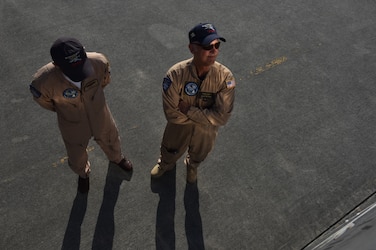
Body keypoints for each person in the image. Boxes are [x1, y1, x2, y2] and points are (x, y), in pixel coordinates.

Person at [30, 37, 133, 193]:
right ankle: (83, 174)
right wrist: (66, 110)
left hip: (99, 113)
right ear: (56, 64)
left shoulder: (99, 62)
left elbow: (104, 81)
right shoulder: (43, 82)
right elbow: (46, 102)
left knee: (110, 137)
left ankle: (117, 158)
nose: (79, 73)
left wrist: (92, 103)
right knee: (76, 152)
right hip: (72, 122)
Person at [151, 23, 236, 183]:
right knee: (170, 148)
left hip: (205, 131)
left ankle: (192, 166)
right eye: (207, 46)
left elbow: (222, 118)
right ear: (192, 48)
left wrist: (188, 110)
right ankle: (165, 165)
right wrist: (208, 116)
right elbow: (172, 115)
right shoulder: (175, 75)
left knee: (201, 152)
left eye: (217, 45)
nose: (214, 51)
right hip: (181, 127)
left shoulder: (226, 78)